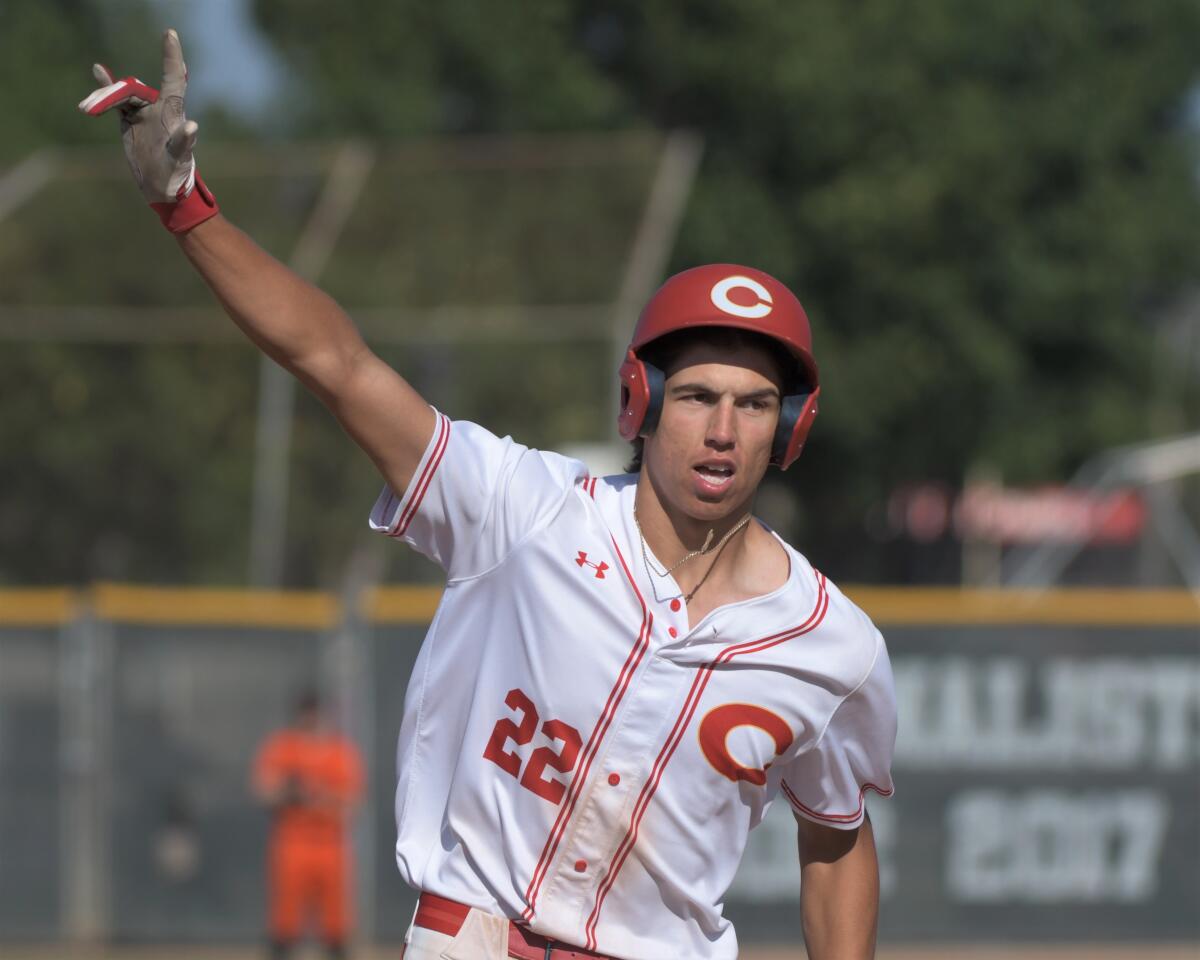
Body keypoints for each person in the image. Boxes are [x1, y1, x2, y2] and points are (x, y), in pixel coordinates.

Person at [81, 31, 897, 960]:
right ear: (643, 401)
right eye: (700, 397)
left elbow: (835, 838)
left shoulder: (834, 646)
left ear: (788, 430)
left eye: (755, 407)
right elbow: (339, 364)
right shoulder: (525, 508)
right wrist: (186, 208)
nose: (724, 430)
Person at [252, 688, 365, 960]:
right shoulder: (283, 747)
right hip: (292, 843)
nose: (311, 720)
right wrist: (292, 792)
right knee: (285, 924)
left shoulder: (340, 751)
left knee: (336, 927)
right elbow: (263, 789)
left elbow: (352, 801)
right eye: (307, 714)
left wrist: (318, 795)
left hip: (330, 846)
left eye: (316, 714)